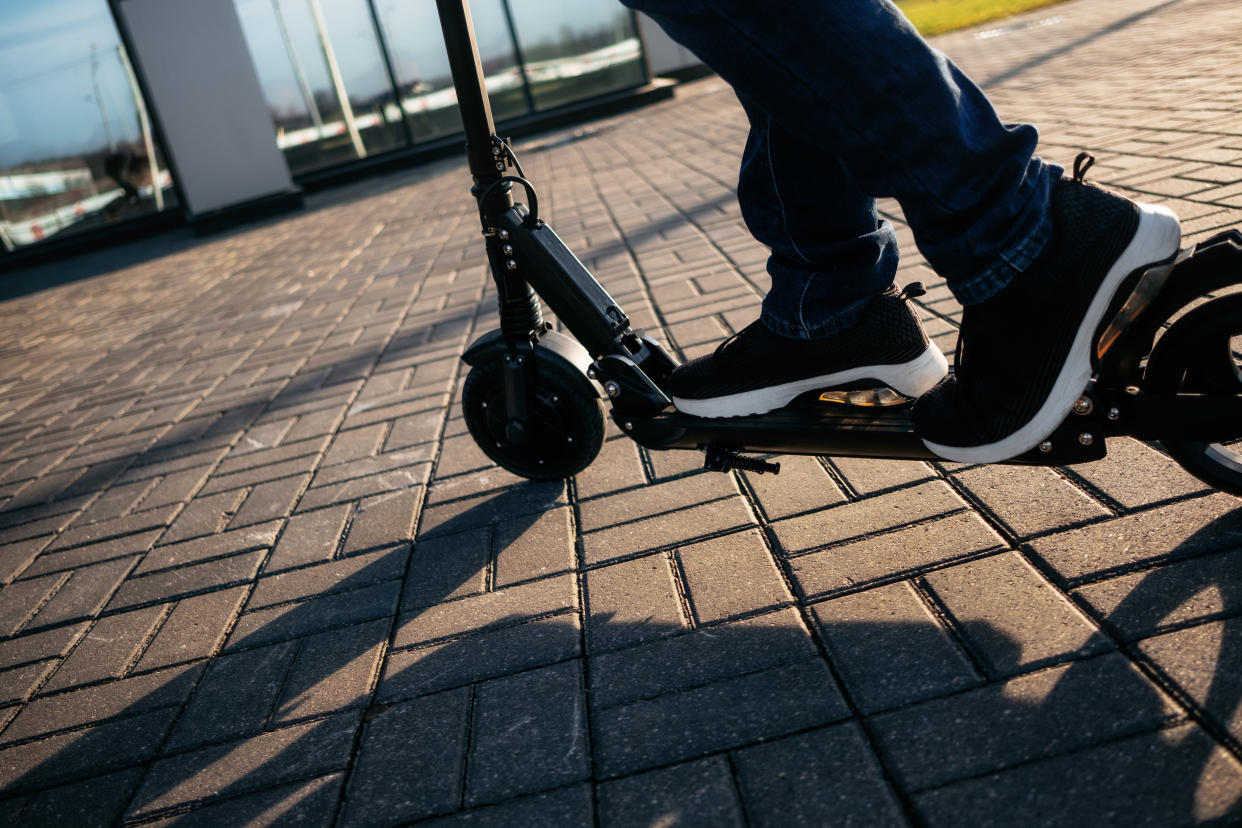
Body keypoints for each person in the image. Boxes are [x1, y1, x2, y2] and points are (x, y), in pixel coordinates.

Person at [616, 0, 1181, 463]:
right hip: (828, 297)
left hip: (1033, 240)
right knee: (768, 56)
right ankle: (830, 309)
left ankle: (1024, 239)